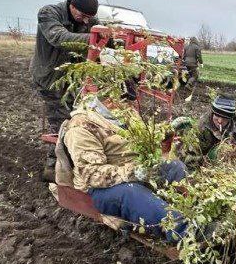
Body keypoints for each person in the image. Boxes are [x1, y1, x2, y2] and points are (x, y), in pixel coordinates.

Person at [55, 96, 189, 240]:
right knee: (132, 193)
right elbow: (92, 175)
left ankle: (195, 212)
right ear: (104, 99)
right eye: (120, 97)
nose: (125, 102)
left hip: (135, 172)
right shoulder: (82, 127)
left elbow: (143, 139)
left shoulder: (125, 113)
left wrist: (166, 131)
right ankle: (186, 232)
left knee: (174, 167)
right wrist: (133, 172)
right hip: (100, 190)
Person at [31, 0, 99, 180]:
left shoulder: (89, 21)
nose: (86, 22)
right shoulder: (48, 13)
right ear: (73, 7)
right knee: (60, 122)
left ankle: (74, 161)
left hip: (72, 81)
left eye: (89, 18)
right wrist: (95, 39)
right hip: (49, 77)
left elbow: (100, 31)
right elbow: (59, 38)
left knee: (78, 118)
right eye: (83, 16)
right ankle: (53, 168)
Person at [177, 93, 236, 167]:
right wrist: (207, 161)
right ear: (213, 113)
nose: (220, 121)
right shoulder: (201, 128)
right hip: (211, 160)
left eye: (224, 118)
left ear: (230, 118)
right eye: (217, 116)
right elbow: (186, 158)